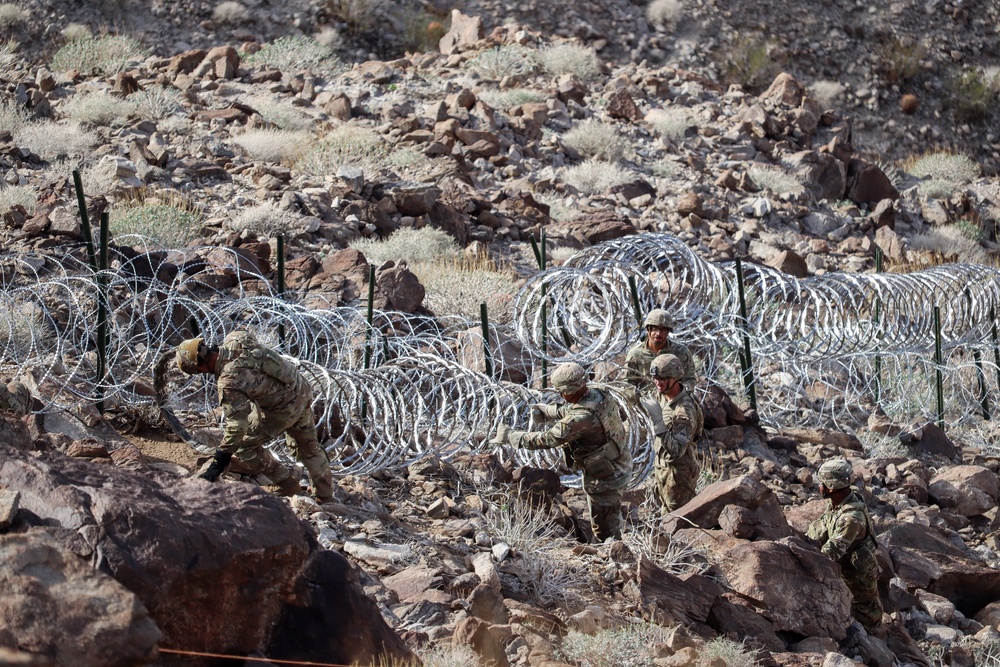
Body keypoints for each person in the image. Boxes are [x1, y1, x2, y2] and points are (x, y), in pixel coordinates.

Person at [176, 331, 334, 503]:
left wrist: (220, 460)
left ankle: (287, 484)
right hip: (301, 391)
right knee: (309, 447)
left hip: (282, 410)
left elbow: (237, 427)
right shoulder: (237, 338)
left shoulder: (229, 382)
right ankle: (325, 496)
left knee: (244, 446)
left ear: (200, 367)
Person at [492, 362, 632, 542]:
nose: (560, 395)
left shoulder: (581, 418)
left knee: (605, 526)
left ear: (571, 390)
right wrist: (550, 411)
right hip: (619, 460)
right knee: (610, 513)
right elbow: (578, 406)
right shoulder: (598, 392)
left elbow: (549, 439)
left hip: (605, 476)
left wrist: (512, 436)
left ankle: (616, 556)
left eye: (562, 392)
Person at [806, 458, 884, 633]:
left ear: (832, 487)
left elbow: (832, 551)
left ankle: (876, 641)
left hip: (857, 571)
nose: (819, 487)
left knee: (865, 609)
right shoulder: (840, 498)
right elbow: (825, 523)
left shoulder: (851, 518)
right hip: (845, 563)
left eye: (822, 483)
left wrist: (807, 559)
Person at [645, 354, 703, 513]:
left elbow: (676, 450)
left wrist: (658, 424)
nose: (657, 382)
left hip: (678, 476)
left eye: (662, 378)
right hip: (662, 470)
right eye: (655, 377)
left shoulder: (683, 411)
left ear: (675, 378)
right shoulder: (662, 395)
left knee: (679, 519)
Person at [624, 309, 696, 399]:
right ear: (648, 329)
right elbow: (627, 384)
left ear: (668, 331)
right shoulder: (635, 354)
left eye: (663, 330)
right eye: (654, 329)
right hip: (647, 403)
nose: (658, 334)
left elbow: (689, 379)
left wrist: (680, 395)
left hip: (674, 401)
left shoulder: (680, 351)